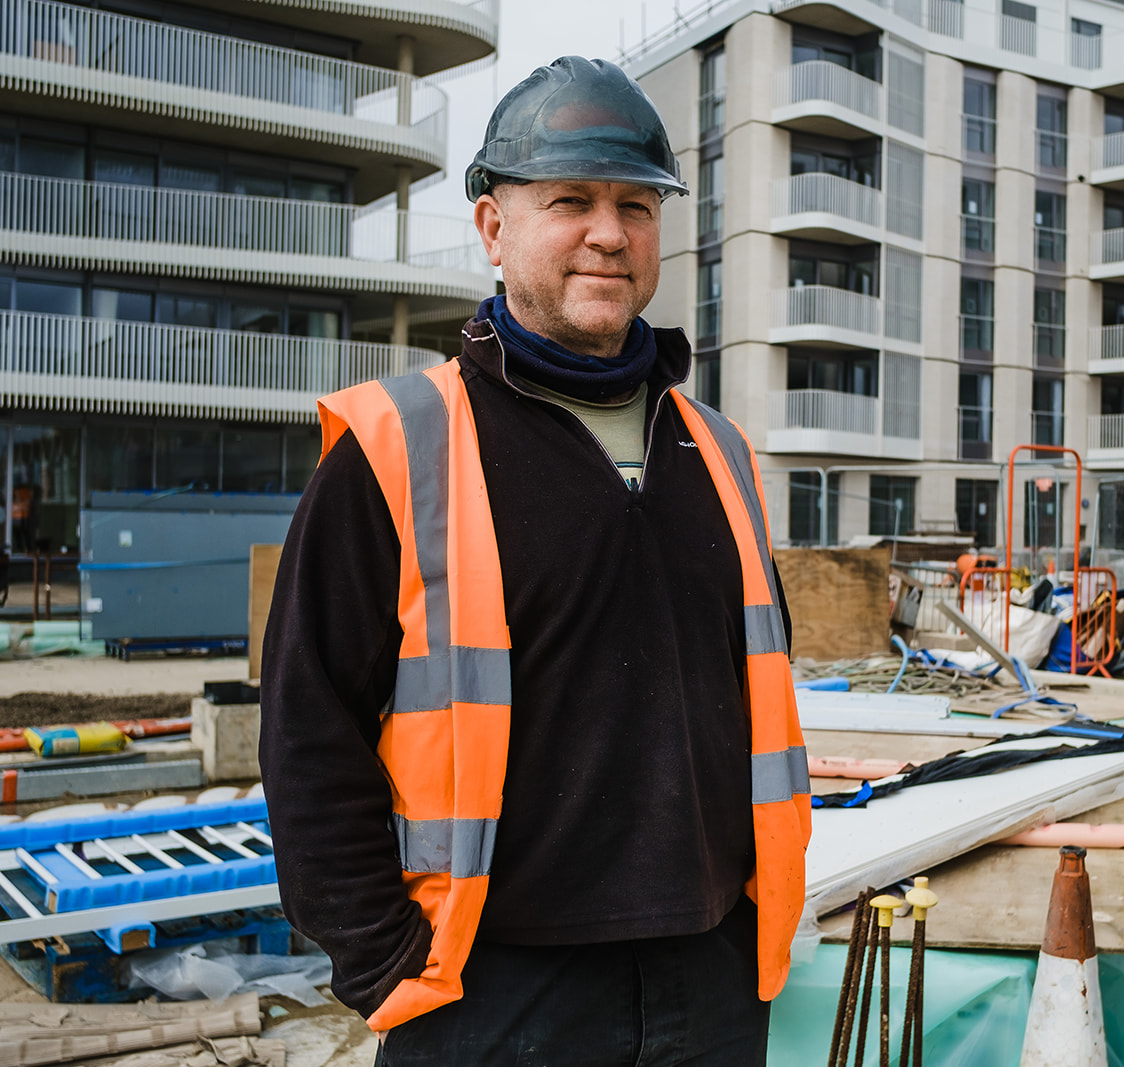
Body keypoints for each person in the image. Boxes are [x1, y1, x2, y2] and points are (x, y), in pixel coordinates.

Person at [259, 56, 810, 1066]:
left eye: (635, 205)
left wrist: (743, 935)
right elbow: (308, 730)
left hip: (714, 972)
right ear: (492, 227)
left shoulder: (718, 453)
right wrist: (385, 961)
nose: (609, 232)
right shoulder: (401, 444)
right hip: (493, 988)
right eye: (571, 200)